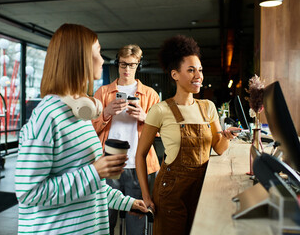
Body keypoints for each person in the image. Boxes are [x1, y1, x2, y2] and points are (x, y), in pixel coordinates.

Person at [15, 24, 148, 235]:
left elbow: (91, 185)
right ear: (81, 58)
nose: (103, 60)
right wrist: (95, 171)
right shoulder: (47, 117)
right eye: (98, 52)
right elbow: (29, 193)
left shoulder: (80, 113)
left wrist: (126, 202)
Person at [135, 35, 240, 235]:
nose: (198, 75)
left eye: (199, 70)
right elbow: (140, 154)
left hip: (202, 189)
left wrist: (226, 137)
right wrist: (146, 196)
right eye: (191, 70)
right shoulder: (160, 110)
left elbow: (218, 148)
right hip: (171, 191)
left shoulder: (207, 107)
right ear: (175, 74)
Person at [92, 44, 160, 235]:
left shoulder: (150, 95)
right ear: (117, 64)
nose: (127, 69)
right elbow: (90, 129)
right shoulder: (103, 93)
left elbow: (162, 131)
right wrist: (105, 113)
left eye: (131, 65)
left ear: (138, 65)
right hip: (109, 162)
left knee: (136, 219)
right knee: (105, 218)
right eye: (123, 64)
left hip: (138, 165)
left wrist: (146, 118)